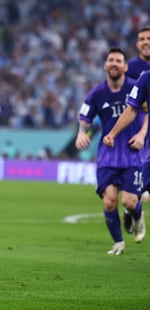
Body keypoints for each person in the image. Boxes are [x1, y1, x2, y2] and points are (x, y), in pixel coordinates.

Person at [76, 47, 146, 256]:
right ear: (106, 65)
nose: (114, 63)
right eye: (111, 60)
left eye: (118, 60)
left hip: (132, 151)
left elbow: (147, 113)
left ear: (125, 66)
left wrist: (142, 134)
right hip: (108, 154)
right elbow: (85, 118)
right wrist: (81, 133)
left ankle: (137, 215)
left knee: (129, 201)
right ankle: (118, 243)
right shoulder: (97, 93)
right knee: (109, 201)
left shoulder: (137, 87)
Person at [122, 25, 150, 232]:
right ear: (137, 43)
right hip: (135, 128)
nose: (146, 42)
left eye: (149, 38)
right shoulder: (130, 68)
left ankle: (133, 203)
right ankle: (132, 206)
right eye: (142, 39)